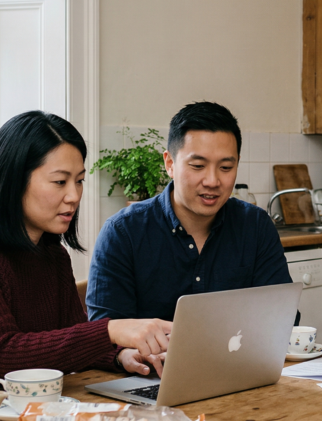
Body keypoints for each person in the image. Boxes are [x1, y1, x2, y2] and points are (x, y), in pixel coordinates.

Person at [0, 111, 171, 393]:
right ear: (14, 180)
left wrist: (120, 355)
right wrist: (111, 330)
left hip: (6, 413)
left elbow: (64, 341)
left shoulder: (52, 253)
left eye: (79, 180)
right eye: (60, 182)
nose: (74, 195)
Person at [85, 101, 293, 373]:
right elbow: (103, 334)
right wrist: (125, 355)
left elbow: (282, 320)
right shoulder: (123, 233)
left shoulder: (255, 226)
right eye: (197, 166)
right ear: (169, 164)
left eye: (226, 168)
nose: (212, 181)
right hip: (150, 385)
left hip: (240, 377)